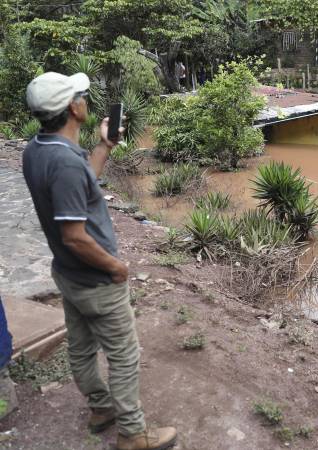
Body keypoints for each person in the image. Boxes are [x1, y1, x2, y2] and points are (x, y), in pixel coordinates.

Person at [22, 72, 177, 450]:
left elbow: (81, 188)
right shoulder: (66, 164)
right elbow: (75, 235)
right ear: (74, 109)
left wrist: (104, 146)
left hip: (68, 276)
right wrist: (115, 266)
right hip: (95, 279)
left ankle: (101, 408)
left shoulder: (37, 149)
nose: (86, 101)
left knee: (80, 346)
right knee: (123, 355)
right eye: (82, 96)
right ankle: (133, 434)